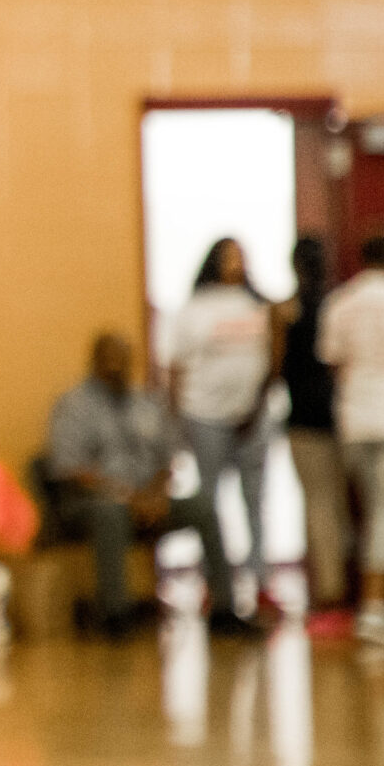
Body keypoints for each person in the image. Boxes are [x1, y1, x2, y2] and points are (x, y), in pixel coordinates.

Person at [43, 331, 206, 637]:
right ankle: (116, 614)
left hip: (149, 498)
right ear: (95, 361)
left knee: (203, 506)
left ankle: (223, 608)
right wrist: (129, 498)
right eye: (109, 359)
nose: (116, 366)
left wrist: (156, 495)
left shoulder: (146, 403)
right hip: (92, 501)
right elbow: (72, 470)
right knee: (111, 513)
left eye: (123, 359)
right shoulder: (74, 405)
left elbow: (167, 458)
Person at [161, 237, 272, 628]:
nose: (237, 264)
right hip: (204, 415)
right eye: (229, 257)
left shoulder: (257, 305)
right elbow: (175, 368)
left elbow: (273, 359)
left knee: (255, 499)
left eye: (242, 256)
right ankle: (217, 582)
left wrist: (259, 404)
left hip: (253, 415)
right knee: (208, 502)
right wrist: (175, 426)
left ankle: (260, 579)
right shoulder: (193, 309)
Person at [320, 229, 384, 648]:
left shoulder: (340, 302)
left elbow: (333, 362)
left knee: (380, 513)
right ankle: (374, 609)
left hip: (354, 419)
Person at [277, 235, 351, 609]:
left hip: (308, 418)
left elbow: (276, 365)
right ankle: (340, 588)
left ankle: (330, 591)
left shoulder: (286, 311)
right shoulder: (339, 304)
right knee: (337, 505)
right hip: (341, 415)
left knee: (320, 505)